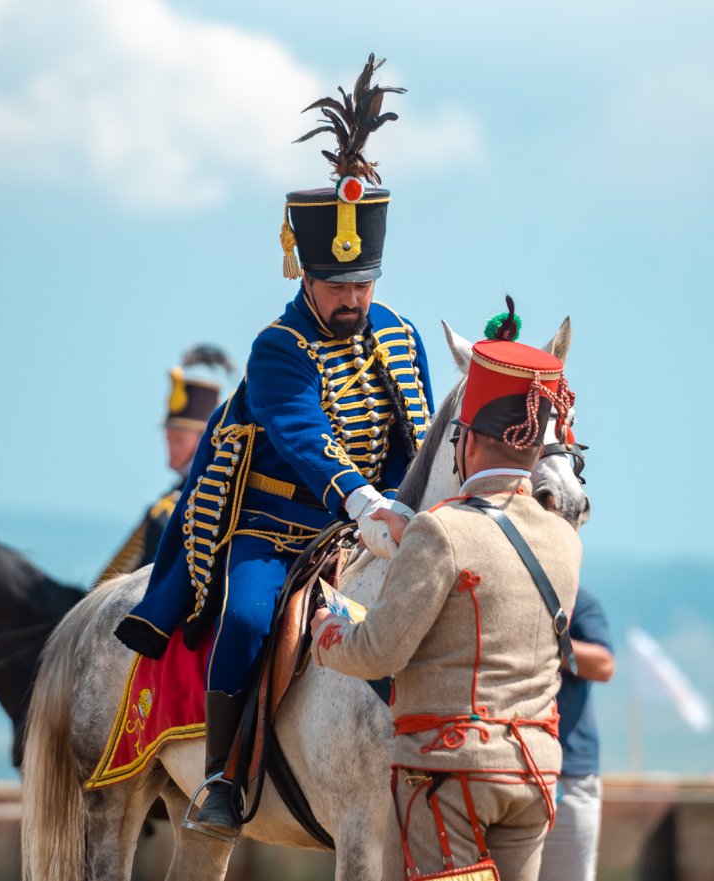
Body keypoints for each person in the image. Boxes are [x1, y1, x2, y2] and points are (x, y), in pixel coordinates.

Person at [113, 54, 433, 838]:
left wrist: (410, 511)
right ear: (305, 273)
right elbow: (300, 436)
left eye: (364, 284)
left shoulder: (399, 332)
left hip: (381, 519)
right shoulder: (278, 345)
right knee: (251, 619)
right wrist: (360, 500)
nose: (355, 300)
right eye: (339, 287)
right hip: (279, 524)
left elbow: (412, 441)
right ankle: (222, 776)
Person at [310, 310, 582, 881]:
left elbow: (380, 651)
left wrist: (330, 635)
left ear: (467, 441)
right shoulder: (565, 540)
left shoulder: (440, 531)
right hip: (533, 774)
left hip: (449, 772)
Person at [96, 346, 233, 585]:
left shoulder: (173, 508)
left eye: (178, 440)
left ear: (203, 440)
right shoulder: (168, 500)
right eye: (168, 439)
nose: (170, 449)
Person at [538, 587, 613, 881]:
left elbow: (605, 665)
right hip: (509, 768)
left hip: (569, 771)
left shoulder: (579, 600)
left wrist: (546, 641)